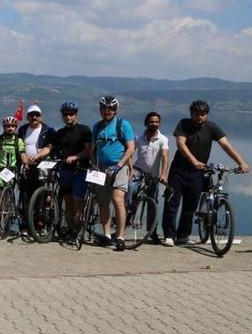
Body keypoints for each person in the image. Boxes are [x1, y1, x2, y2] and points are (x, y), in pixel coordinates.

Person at [161, 100, 250, 247]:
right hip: (179, 170)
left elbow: (226, 145)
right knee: (172, 203)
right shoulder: (184, 124)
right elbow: (180, 144)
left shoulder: (211, 127)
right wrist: (194, 160)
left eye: (203, 114)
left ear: (207, 115)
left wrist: (241, 162)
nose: (200, 117)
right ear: (192, 114)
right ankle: (169, 235)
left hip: (198, 173)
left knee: (190, 206)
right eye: (197, 114)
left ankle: (182, 236)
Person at [38, 101, 91, 241]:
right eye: (65, 114)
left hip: (80, 170)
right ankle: (70, 229)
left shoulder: (84, 130)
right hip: (65, 171)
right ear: (62, 116)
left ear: (76, 115)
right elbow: (49, 147)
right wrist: (37, 156)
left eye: (71, 114)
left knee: (77, 202)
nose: (68, 117)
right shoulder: (59, 133)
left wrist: (77, 156)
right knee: (67, 202)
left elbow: (88, 149)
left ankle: (76, 231)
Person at [91, 96, 135, 251]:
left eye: (110, 109)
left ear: (115, 110)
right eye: (104, 109)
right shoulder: (97, 127)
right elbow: (93, 148)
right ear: (100, 110)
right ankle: (107, 235)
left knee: (118, 200)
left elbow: (130, 147)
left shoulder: (123, 125)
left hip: (119, 167)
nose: (107, 111)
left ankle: (121, 237)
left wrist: (120, 165)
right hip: (101, 167)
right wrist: (92, 165)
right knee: (103, 202)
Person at [130, 111, 169, 244]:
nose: (154, 124)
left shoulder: (163, 139)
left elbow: (165, 157)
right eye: (151, 121)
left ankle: (152, 233)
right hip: (138, 170)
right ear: (147, 123)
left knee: (153, 203)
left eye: (157, 122)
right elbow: (130, 153)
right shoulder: (138, 138)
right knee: (130, 190)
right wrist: (130, 169)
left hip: (153, 175)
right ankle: (125, 218)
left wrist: (163, 174)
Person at [19, 104, 55, 227]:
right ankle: (25, 222)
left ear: (41, 116)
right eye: (31, 115)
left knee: (40, 196)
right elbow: (21, 148)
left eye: (37, 115)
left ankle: (40, 222)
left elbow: (49, 147)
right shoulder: (23, 129)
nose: (34, 117)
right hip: (27, 166)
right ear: (27, 117)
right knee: (25, 195)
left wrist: (38, 155)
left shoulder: (48, 130)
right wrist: (24, 160)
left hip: (41, 167)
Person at [0, 116, 28, 232]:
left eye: (12, 126)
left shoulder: (18, 140)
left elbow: (22, 153)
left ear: (16, 127)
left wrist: (25, 164)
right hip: (0, 170)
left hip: (13, 170)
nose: (10, 128)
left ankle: (9, 219)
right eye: (7, 126)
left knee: (10, 193)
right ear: (4, 127)